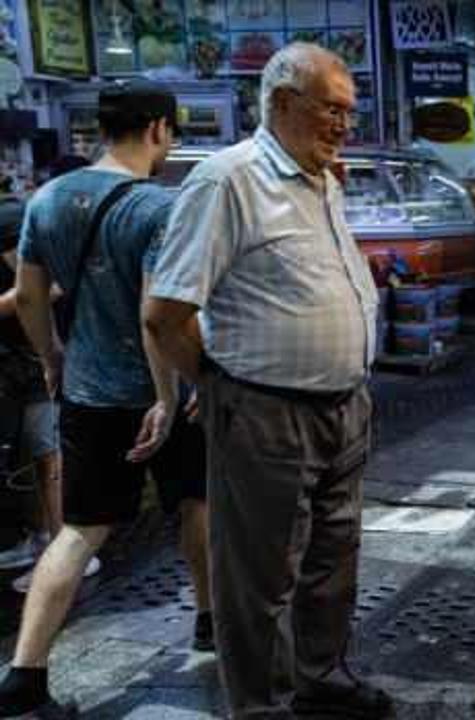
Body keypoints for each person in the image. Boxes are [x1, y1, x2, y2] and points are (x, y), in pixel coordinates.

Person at [142, 44, 389, 719]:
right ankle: (258, 705)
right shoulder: (229, 180)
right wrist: (217, 388)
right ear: (282, 102)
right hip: (265, 410)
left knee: (334, 560)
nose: (344, 123)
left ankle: (319, 675)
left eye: (349, 110)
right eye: (331, 108)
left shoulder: (323, 179)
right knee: (259, 574)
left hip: (344, 406)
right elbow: (165, 314)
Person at [0, 80, 214, 718]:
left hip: (87, 392)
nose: (170, 145)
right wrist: (174, 391)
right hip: (158, 394)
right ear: (156, 129)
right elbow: (161, 315)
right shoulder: (159, 206)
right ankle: (209, 618)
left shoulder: (46, 200)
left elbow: (31, 297)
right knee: (194, 505)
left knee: (78, 531)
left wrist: (52, 359)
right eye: (172, 132)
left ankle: (25, 674)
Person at [0, 159, 102, 595]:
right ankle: (42, 538)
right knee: (36, 453)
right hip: (27, 360)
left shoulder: (10, 217)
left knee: (48, 455)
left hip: (36, 358)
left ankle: (66, 551)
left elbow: (40, 288)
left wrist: (49, 353)